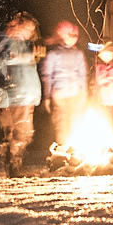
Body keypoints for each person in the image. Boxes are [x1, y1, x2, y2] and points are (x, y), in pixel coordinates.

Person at [0, 12, 41, 176]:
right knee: (19, 134)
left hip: (26, 94)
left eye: (31, 30)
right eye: (28, 29)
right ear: (17, 26)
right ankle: (10, 168)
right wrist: (30, 57)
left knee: (22, 134)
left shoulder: (22, 44)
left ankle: (11, 167)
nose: (30, 33)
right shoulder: (8, 42)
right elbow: (5, 61)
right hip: (19, 95)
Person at [39, 20, 89, 149]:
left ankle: (71, 150)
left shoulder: (76, 54)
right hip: (64, 94)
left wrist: (84, 94)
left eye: (74, 36)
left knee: (69, 122)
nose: (73, 39)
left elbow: (83, 75)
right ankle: (64, 150)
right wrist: (47, 97)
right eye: (71, 35)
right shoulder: (54, 54)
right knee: (63, 123)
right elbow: (47, 76)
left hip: (71, 94)